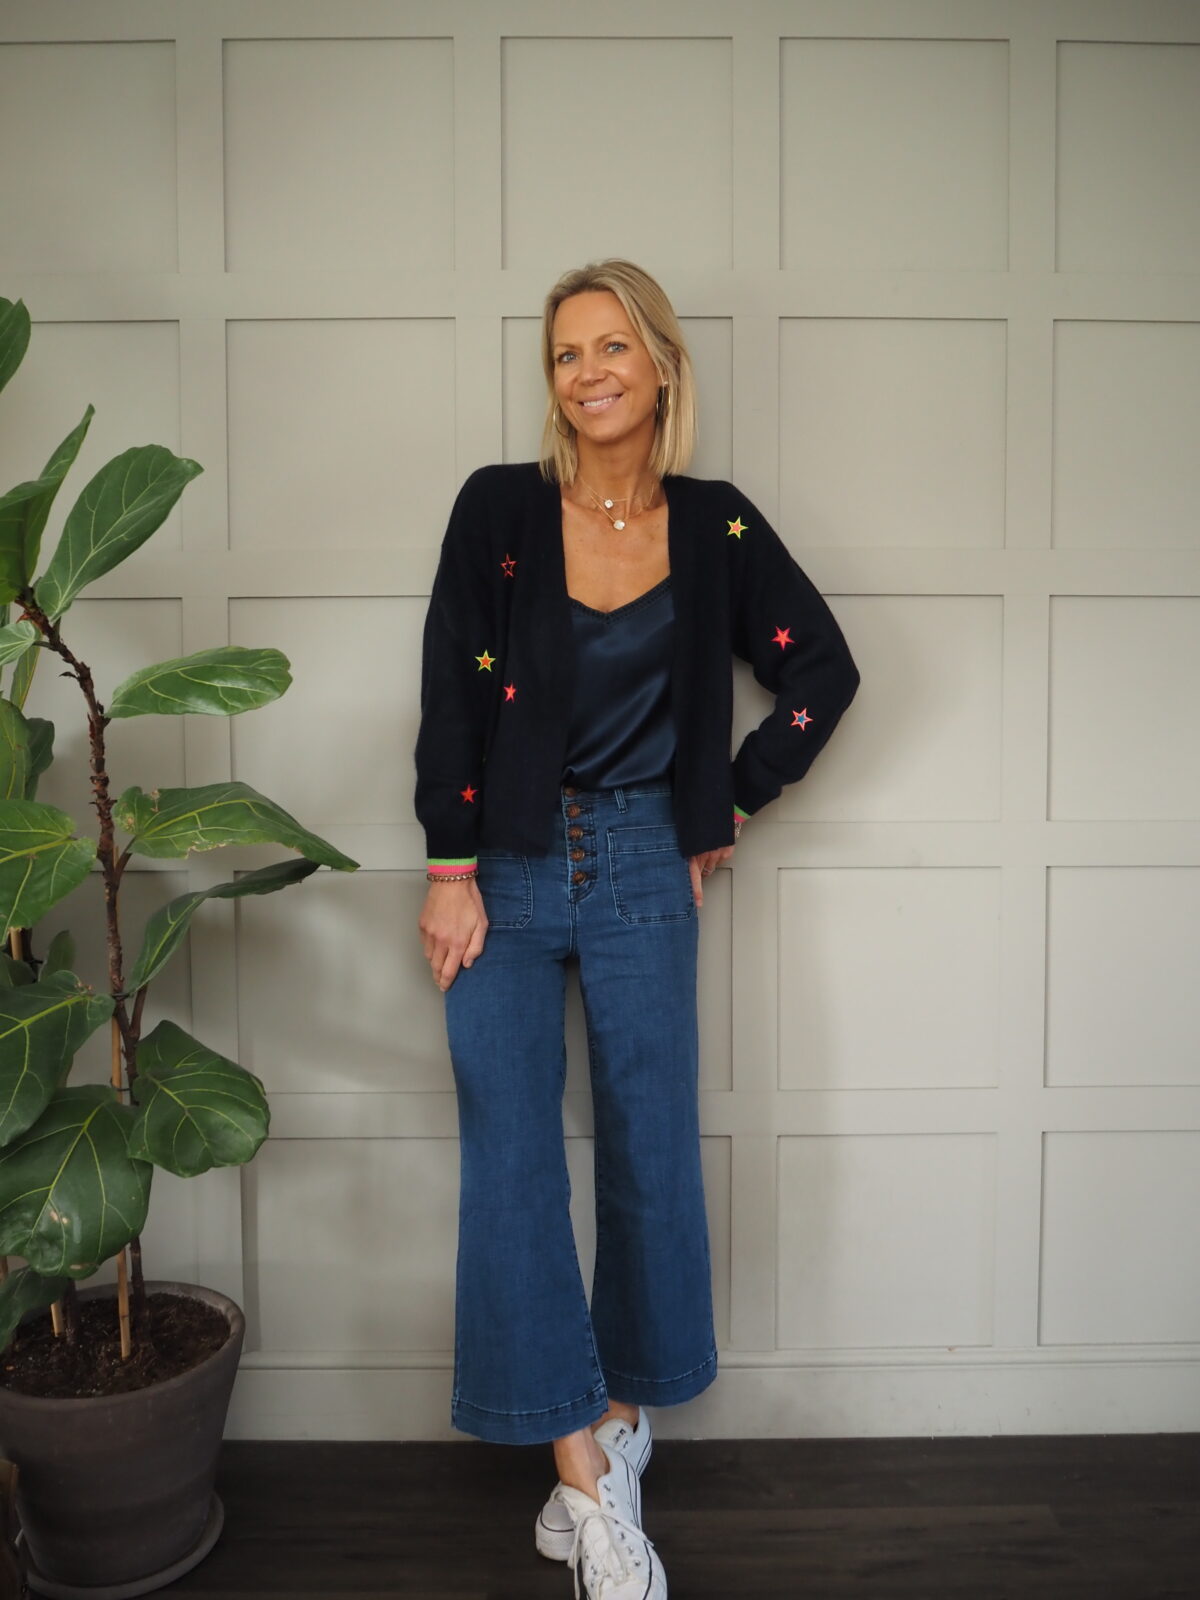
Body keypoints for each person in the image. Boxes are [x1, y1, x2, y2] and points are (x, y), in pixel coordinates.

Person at [415, 259, 860, 1599]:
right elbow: (451, 691)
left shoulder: (716, 525)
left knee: (651, 1154)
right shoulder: (499, 508)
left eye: (613, 347)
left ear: (661, 366)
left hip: (646, 868)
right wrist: (448, 866)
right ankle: (585, 1481)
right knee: (510, 1165)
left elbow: (822, 670)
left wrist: (730, 797)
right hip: (502, 867)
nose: (589, 372)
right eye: (567, 353)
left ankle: (616, 1425)